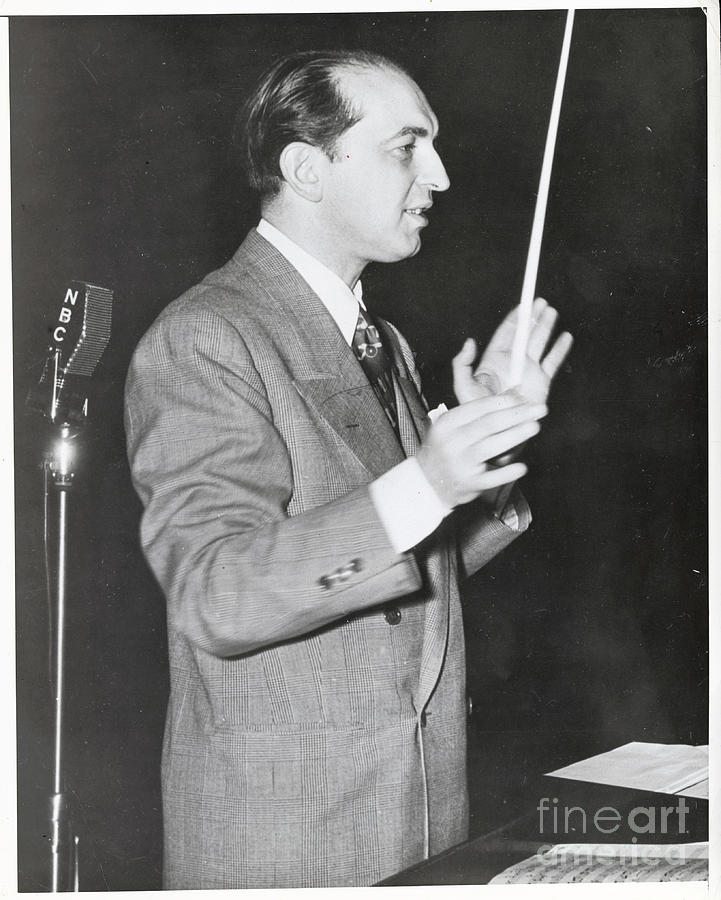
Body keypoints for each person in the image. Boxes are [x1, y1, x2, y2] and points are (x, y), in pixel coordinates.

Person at [124, 49, 572, 890]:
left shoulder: (382, 343)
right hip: (288, 848)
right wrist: (430, 479)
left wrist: (488, 445)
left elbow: (400, 588)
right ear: (306, 169)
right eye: (407, 147)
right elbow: (216, 595)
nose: (437, 175)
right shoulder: (208, 337)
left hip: (422, 827)